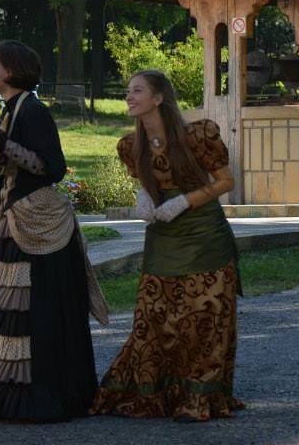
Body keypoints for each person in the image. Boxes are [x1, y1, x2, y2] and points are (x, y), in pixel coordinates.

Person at [0, 39, 106, 422]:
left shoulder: (32, 111)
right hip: (18, 223)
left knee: (38, 312)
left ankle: (44, 395)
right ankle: (15, 390)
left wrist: (8, 146)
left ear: (11, 71)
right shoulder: (10, 112)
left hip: (43, 230)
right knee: (19, 312)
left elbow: (52, 168)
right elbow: (5, 181)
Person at [91, 69, 243, 422]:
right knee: (155, 316)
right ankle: (156, 394)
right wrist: (144, 196)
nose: (129, 96)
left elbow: (225, 181)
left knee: (205, 318)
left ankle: (198, 398)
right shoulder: (131, 145)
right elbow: (143, 178)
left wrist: (184, 201)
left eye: (137, 91)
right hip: (163, 236)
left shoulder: (196, 135)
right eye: (128, 91)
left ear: (158, 98)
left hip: (204, 236)